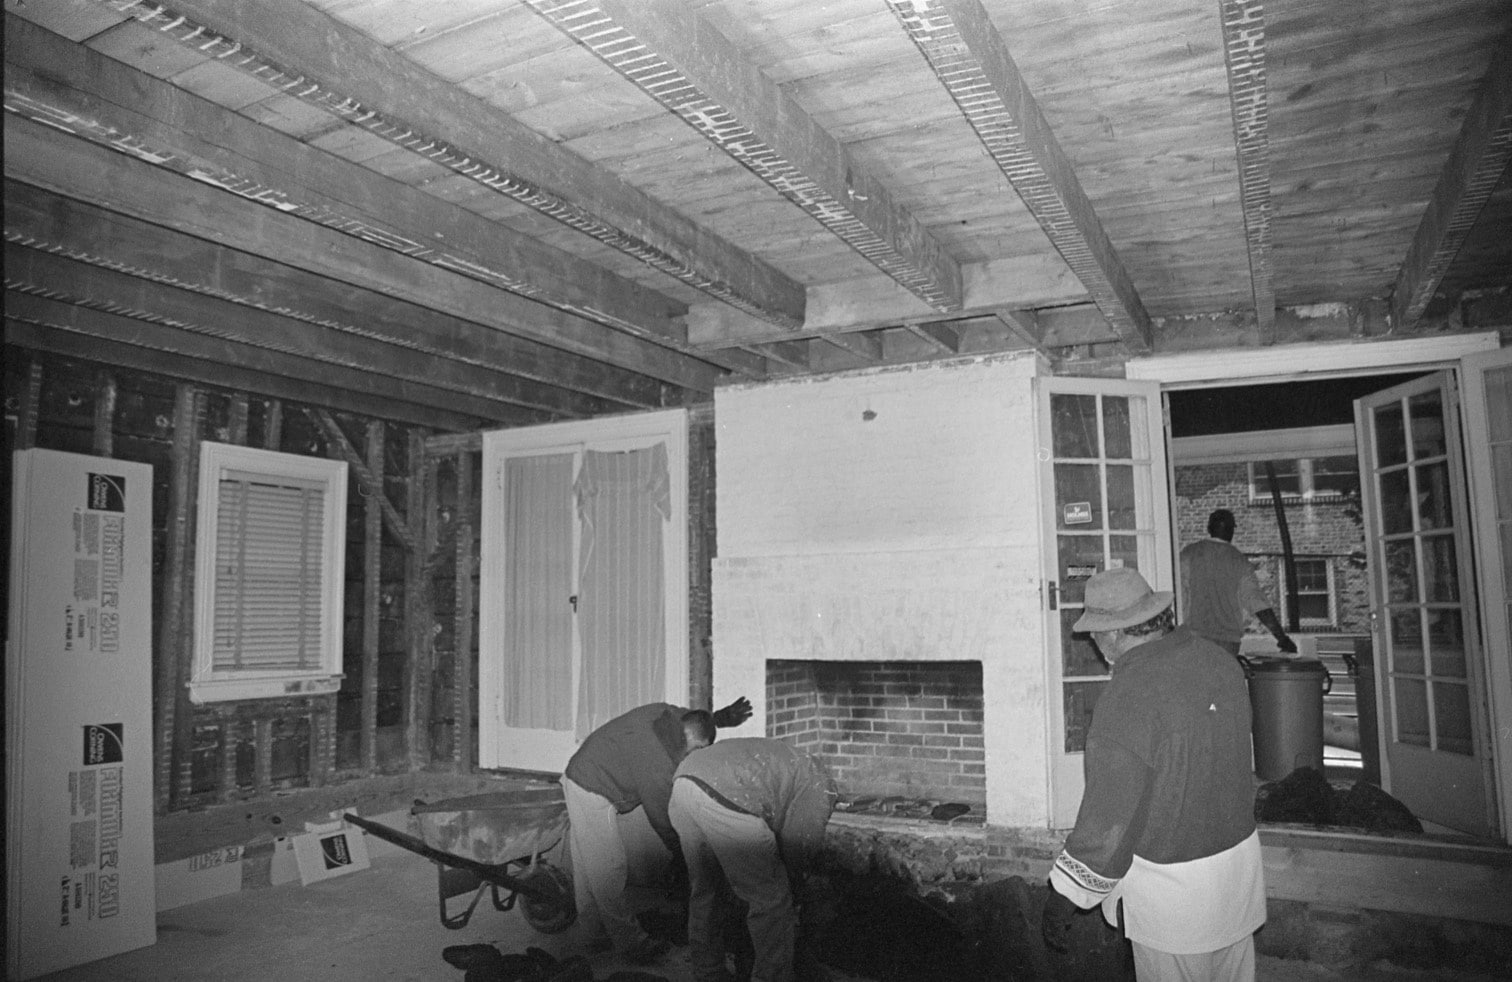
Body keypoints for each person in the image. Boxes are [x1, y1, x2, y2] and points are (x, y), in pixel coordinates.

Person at [1042, 567, 1266, 982]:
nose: (1095, 641)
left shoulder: (1129, 696)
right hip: (1237, 876)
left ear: (1112, 634)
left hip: (1175, 895)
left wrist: (1064, 894)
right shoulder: (1221, 662)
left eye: (1095, 633)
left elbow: (1110, 818)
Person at [562, 697, 752, 964]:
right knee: (608, 869)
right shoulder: (656, 762)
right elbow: (663, 820)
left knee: (588, 867)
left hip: (583, 769)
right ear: (693, 744)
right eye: (697, 751)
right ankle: (633, 946)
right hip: (592, 786)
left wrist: (719, 718)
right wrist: (686, 854)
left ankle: (593, 936)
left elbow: (694, 720)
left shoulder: (669, 716)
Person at [669, 737, 836, 982]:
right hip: (726, 794)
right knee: (772, 899)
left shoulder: (790, 762)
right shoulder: (822, 787)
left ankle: (708, 972)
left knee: (706, 889)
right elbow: (797, 844)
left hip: (684, 783)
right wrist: (794, 889)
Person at [1180, 508, 1297, 657]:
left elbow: (1179, 595)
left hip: (1194, 639)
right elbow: (1258, 603)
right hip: (1227, 642)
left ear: (1209, 528)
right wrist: (1282, 638)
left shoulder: (1189, 554)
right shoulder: (1239, 561)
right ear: (1231, 531)